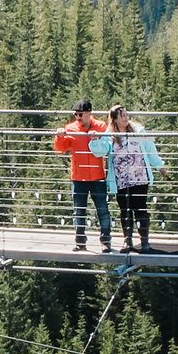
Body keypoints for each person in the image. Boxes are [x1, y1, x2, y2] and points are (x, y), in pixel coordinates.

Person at [53, 100, 113, 250]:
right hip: (78, 177)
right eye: (75, 114)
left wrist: (96, 138)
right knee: (78, 210)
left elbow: (107, 147)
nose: (77, 117)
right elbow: (60, 149)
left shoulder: (101, 127)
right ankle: (80, 242)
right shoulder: (70, 128)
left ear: (89, 113)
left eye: (80, 114)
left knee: (102, 210)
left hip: (97, 176)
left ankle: (105, 241)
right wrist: (59, 137)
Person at [105, 102, 164, 252]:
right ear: (115, 119)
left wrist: (160, 166)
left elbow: (150, 149)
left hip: (139, 177)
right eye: (122, 115)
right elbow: (100, 150)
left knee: (140, 209)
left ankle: (144, 242)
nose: (126, 117)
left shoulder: (138, 131)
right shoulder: (110, 136)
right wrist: (94, 140)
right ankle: (128, 242)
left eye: (126, 114)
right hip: (121, 179)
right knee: (125, 210)